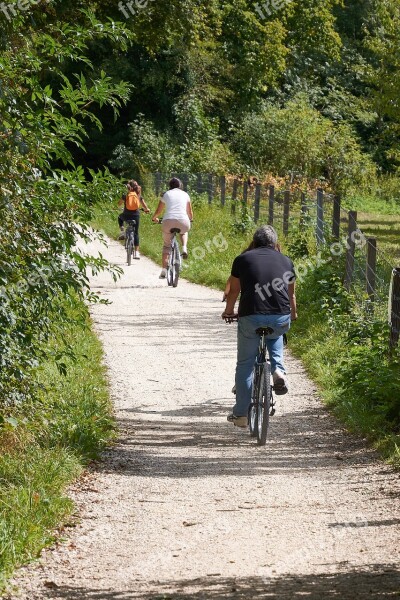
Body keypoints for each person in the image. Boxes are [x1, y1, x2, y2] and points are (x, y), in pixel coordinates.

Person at [222, 225, 297, 428]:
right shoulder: (287, 261)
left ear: (254, 242)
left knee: (245, 364)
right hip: (280, 316)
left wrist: (229, 311)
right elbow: (291, 295)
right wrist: (293, 314)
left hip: (251, 316)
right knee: (276, 334)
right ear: (275, 243)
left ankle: (241, 415)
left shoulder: (242, 259)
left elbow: (234, 291)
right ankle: (278, 371)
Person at [151, 177, 193, 279]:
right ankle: (184, 248)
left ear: (170, 186)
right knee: (184, 231)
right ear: (180, 185)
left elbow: (159, 210)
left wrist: (154, 218)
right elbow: (190, 213)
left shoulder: (166, 194)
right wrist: (190, 219)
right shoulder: (186, 195)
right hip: (183, 221)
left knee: (166, 246)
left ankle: (164, 270)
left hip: (168, 222)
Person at [118, 180, 150, 259]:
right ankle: (137, 252)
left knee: (119, 217)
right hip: (136, 216)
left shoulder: (126, 195)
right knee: (136, 233)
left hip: (126, 215)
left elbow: (119, 204)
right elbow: (144, 206)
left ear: (129, 187)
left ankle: (122, 232)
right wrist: (146, 209)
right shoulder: (138, 195)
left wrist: (120, 206)